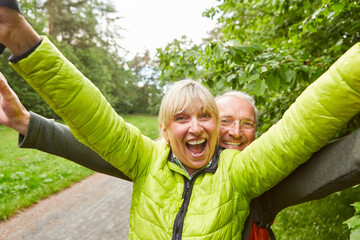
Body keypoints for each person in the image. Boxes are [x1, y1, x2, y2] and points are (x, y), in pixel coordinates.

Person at [1, 1, 360, 239]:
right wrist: (20, 38)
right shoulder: (146, 160)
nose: (197, 126)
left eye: (206, 116)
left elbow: (304, 123)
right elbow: (91, 117)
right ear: (164, 130)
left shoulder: (241, 173)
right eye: (182, 117)